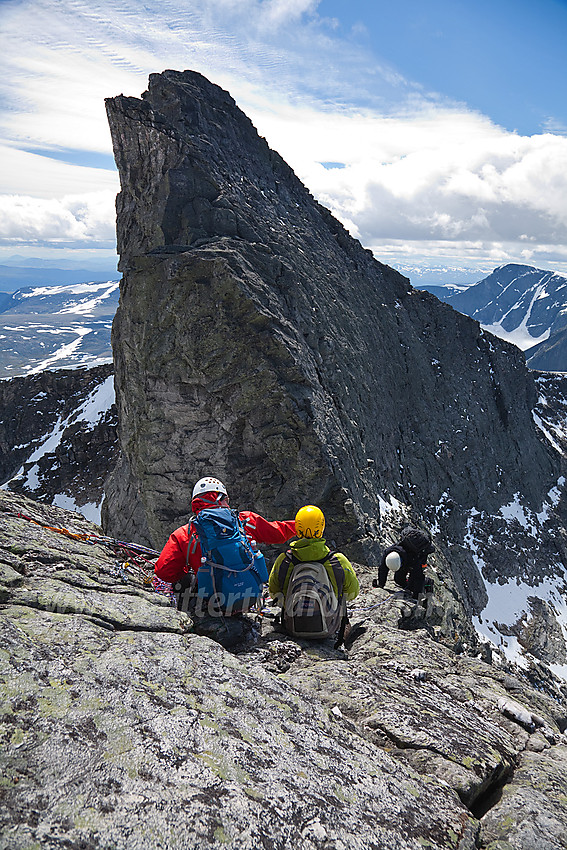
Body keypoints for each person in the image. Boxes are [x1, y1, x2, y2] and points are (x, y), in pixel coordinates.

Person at [153, 476, 296, 592]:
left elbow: (163, 571)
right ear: (221, 499)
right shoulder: (246, 520)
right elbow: (278, 534)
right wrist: (299, 525)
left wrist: (189, 570)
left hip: (213, 598)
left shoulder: (185, 534)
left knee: (184, 582)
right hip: (250, 593)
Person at [268, 505, 359, 642]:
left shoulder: (284, 560)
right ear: (321, 527)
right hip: (329, 627)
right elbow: (353, 593)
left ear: (297, 528)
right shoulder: (337, 560)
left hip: (292, 627)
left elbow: (274, 593)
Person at [376, 526, 434, 599]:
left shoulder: (413, 560)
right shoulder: (388, 552)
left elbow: (419, 577)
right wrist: (381, 584)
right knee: (398, 580)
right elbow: (383, 569)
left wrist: (416, 597)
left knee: (413, 584)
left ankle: (428, 582)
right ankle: (408, 587)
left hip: (421, 554)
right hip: (406, 558)